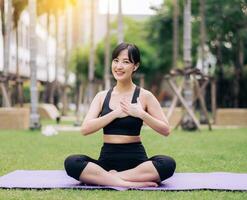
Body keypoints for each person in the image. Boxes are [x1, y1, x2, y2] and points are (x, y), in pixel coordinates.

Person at [64, 43, 176, 188]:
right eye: (116, 60)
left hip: (137, 162)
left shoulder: (145, 96)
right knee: (72, 162)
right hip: (106, 161)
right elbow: (85, 129)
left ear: (135, 66)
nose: (119, 66)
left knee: (167, 163)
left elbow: (166, 130)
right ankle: (132, 183)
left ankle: (108, 179)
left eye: (126, 62)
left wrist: (141, 114)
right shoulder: (101, 96)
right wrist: (115, 113)